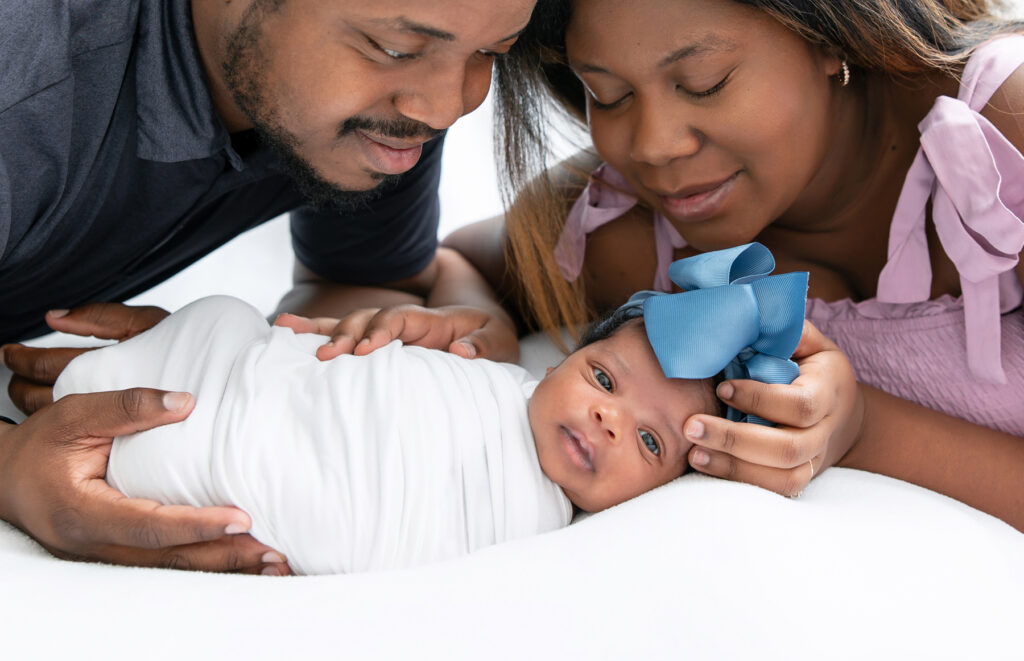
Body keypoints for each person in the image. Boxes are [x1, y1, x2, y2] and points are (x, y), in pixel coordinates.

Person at [438, 0, 1024, 529]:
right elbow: (454, 261)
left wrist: (865, 428)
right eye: (608, 95)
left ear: (829, 32)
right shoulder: (627, 231)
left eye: (704, 82)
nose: (653, 146)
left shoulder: (1006, 126)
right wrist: (481, 327)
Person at [0, 0, 538, 574]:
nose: (444, 107)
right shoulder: (26, 79)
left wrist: (257, 374)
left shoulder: (389, 115)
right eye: (396, 50)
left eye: (491, 53)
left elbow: (360, 279)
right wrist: (9, 465)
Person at [52, 244, 803, 574]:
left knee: (200, 462)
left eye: (647, 439)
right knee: (225, 327)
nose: (609, 418)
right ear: (569, 357)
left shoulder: (539, 539)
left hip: (294, 487)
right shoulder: (494, 379)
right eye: (604, 380)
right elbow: (357, 382)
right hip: (280, 388)